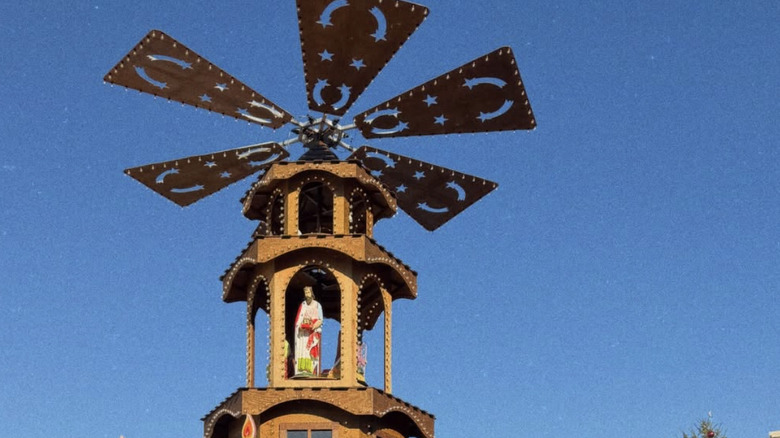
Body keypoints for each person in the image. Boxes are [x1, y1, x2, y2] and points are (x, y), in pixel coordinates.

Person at [293, 286, 323, 377]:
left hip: (312, 332)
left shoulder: (317, 305)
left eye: (308, 292)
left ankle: (311, 370)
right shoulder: (303, 305)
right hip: (303, 334)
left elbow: (320, 319)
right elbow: (299, 319)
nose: (307, 294)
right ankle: (302, 369)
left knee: (309, 351)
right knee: (303, 350)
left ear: (312, 293)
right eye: (305, 293)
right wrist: (300, 327)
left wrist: (313, 326)